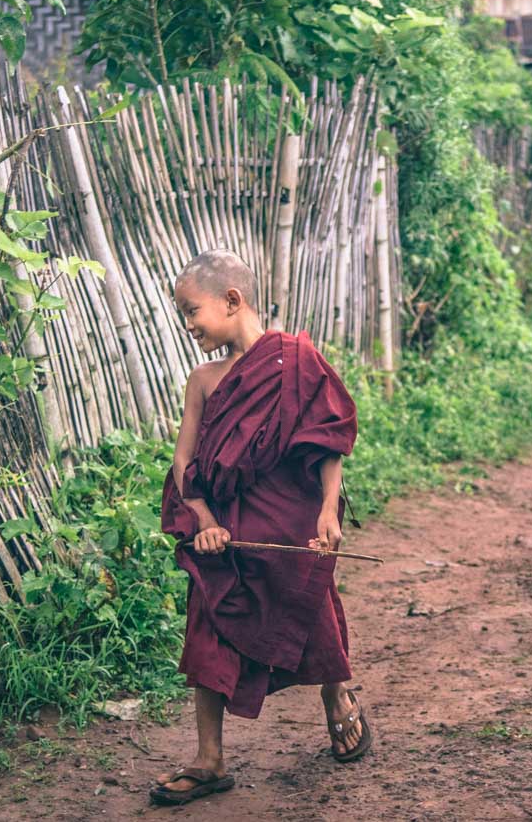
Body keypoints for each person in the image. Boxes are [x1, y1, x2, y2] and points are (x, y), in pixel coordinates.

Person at [150, 249, 373, 807]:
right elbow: (185, 462)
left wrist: (327, 509)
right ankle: (209, 759)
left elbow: (326, 442)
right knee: (209, 613)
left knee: (311, 606)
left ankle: (338, 698)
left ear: (232, 300)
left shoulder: (297, 360)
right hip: (226, 525)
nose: (188, 325)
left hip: (292, 516)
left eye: (191, 310)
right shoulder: (203, 380)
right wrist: (202, 519)